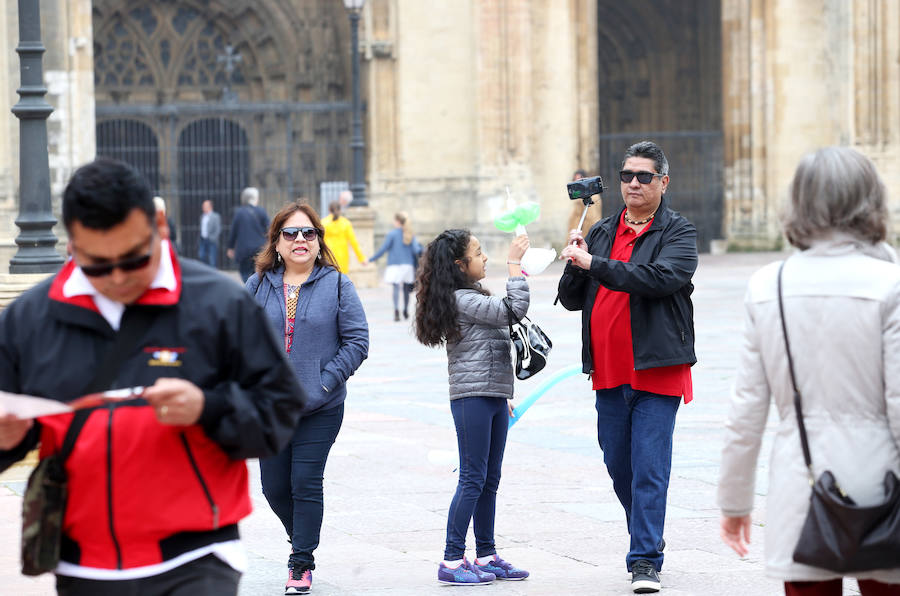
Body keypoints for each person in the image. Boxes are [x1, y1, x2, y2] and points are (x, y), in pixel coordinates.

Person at [0, 158, 306, 595]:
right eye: (98, 265)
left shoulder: (220, 304)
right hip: (83, 563)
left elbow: (280, 414)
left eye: (134, 257)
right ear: (72, 245)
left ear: (159, 225)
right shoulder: (29, 319)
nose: (119, 277)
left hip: (197, 557)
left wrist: (208, 407)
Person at [718, 147, 900, 595]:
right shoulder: (890, 285)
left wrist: (735, 502)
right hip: (883, 486)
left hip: (803, 485)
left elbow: (745, 413)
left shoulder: (769, 285)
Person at [558, 140, 698, 594]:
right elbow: (573, 299)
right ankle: (648, 531)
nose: (633, 184)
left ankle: (644, 560)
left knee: (649, 467)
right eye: (626, 176)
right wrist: (577, 263)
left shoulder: (678, 232)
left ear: (663, 182)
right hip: (608, 372)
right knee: (620, 466)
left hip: (657, 370)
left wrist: (595, 263)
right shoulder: (600, 231)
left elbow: (658, 279)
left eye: (643, 176)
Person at [246, 200, 369, 595]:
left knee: (304, 482)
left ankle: (301, 562)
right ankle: (301, 535)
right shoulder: (257, 285)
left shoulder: (337, 283)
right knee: (274, 488)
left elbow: (357, 341)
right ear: (277, 243)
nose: (300, 239)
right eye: (291, 233)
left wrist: (325, 382)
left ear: (318, 241)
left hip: (321, 405)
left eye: (309, 233)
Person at [415, 228, 531, 586]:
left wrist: (501, 394)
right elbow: (513, 309)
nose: (485, 259)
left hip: (493, 396)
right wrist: (515, 263)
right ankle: (451, 560)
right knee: (472, 478)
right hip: (471, 399)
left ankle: (486, 554)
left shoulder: (471, 296)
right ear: (459, 265)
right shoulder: (461, 300)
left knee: (489, 480)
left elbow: (491, 348)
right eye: (478, 253)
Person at [367, 212, 423, 321]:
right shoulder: (410, 234)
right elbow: (417, 250)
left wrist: (370, 259)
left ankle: (396, 310)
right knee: (407, 289)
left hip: (394, 266)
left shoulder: (391, 234)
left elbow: (383, 249)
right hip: (407, 265)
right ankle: (405, 310)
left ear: (397, 221)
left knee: (396, 288)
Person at [227, 187, 270, 282]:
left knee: (245, 273)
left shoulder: (239, 213)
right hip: (259, 248)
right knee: (258, 272)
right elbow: (269, 229)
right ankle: (256, 291)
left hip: (244, 250)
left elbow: (234, 231)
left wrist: (230, 247)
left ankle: (249, 291)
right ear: (255, 198)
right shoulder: (261, 211)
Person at [321, 199, 366, 274]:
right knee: (341, 281)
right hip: (343, 257)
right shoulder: (346, 223)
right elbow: (353, 242)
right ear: (340, 210)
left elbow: (320, 241)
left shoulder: (323, 223)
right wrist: (361, 258)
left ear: (329, 210)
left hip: (328, 256)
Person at [565, 168, 603, 240]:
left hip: (583, 237)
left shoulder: (592, 196)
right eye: (575, 180)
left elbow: (592, 220)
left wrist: (584, 239)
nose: (577, 182)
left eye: (579, 179)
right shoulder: (579, 196)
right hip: (574, 235)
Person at [197, 199, 222, 268]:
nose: (203, 208)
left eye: (205, 206)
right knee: (202, 256)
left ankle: (213, 274)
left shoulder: (215, 216)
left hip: (211, 240)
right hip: (203, 240)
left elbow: (218, 229)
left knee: (212, 259)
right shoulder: (202, 216)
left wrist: (213, 238)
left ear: (210, 206)